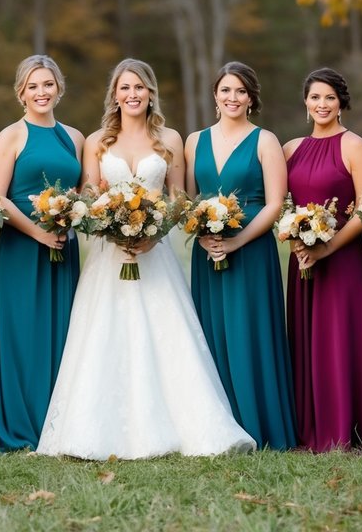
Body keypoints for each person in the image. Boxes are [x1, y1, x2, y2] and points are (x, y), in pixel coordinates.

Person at [36, 59, 255, 459]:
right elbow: (88, 195)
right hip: (107, 254)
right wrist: (109, 225)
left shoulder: (169, 138)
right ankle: (91, 431)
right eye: (125, 88)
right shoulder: (97, 140)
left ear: (151, 92)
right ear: (115, 94)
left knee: (167, 334)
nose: (132, 94)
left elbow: (178, 197)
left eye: (140, 87)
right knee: (102, 333)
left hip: (157, 254)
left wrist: (155, 233)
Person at [185, 61, 296, 449]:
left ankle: (258, 423)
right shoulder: (194, 140)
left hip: (251, 250)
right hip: (206, 251)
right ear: (215, 95)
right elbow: (186, 199)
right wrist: (200, 237)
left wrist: (237, 241)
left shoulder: (265, 141)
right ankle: (216, 426)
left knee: (251, 332)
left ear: (251, 98)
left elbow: (274, 203)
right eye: (226, 90)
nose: (233, 98)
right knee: (211, 332)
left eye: (241, 91)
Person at [0, 55, 83, 450]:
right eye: (32, 86)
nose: (41, 92)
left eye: (47, 84)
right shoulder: (11, 135)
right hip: (22, 252)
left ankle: (58, 423)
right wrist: (36, 232)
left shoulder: (74, 137)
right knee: (22, 333)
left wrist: (68, 215)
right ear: (21, 92)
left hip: (63, 248)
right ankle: (20, 426)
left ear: (59, 88)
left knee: (62, 334)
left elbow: (83, 191)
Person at [283, 67, 362, 451]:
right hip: (302, 258)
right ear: (305, 103)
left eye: (329, 97)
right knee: (307, 340)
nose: (321, 104)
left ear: (341, 102)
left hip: (341, 258)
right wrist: (296, 240)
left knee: (340, 338)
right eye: (314, 97)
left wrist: (328, 246)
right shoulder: (290, 148)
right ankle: (310, 425)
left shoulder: (354, 145)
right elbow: (282, 203)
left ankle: (346, 427)